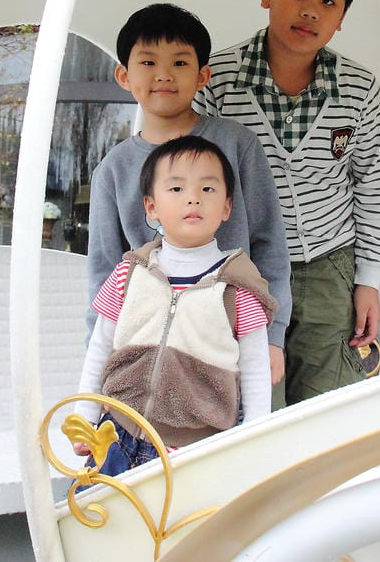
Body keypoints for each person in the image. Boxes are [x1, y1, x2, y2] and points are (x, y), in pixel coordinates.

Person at [195, 0, 380, 407]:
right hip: (245, 267)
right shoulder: (216, 81)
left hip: (331, 267)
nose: (311, 11)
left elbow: (377, 188)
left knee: (326, 410)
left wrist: (369, 280)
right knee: (253, 400)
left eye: (330, 1)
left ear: (342, 17)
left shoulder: (360, 89)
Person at [86, 3, 292, 386]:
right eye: (148, 63)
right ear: (124, 75)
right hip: (146, 352)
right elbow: (104, 273)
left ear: (202, 76)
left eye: (180, 63)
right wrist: (96, 371)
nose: (164, 74)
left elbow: (270, 246)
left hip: (234, 343)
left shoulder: (237, 146)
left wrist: (273, 336)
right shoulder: (113, 170)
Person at [73, 135, 277, 474]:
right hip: (117, 435)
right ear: (151, 207)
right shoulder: (129, 272)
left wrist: (253, 437)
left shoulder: (239, 286)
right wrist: (85, 414)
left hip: (195, 450)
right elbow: (100, 346)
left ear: (227, 206)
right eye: (177, 189)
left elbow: (256, 370)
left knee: (182, 527)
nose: (193, 199)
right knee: (103, 518)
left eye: (208, 190)